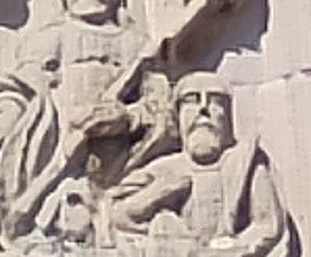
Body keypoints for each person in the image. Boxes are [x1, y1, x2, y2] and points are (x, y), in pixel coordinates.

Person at [0, 0, 149, 240]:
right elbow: (22, 86)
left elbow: (161, 105)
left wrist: (128, 117)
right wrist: (7, 115)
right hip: (62, 154)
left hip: (122, 161)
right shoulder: (52, 37)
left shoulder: (136, 44)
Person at [107, 75, 295, 257]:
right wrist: (161, 191)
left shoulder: (245, 162)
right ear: (178, 116)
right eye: (191, 100)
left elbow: (268, 226)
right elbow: (120, 215)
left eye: (215, 101)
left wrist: (231, 249)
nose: (203, 109)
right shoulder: (164, 169)